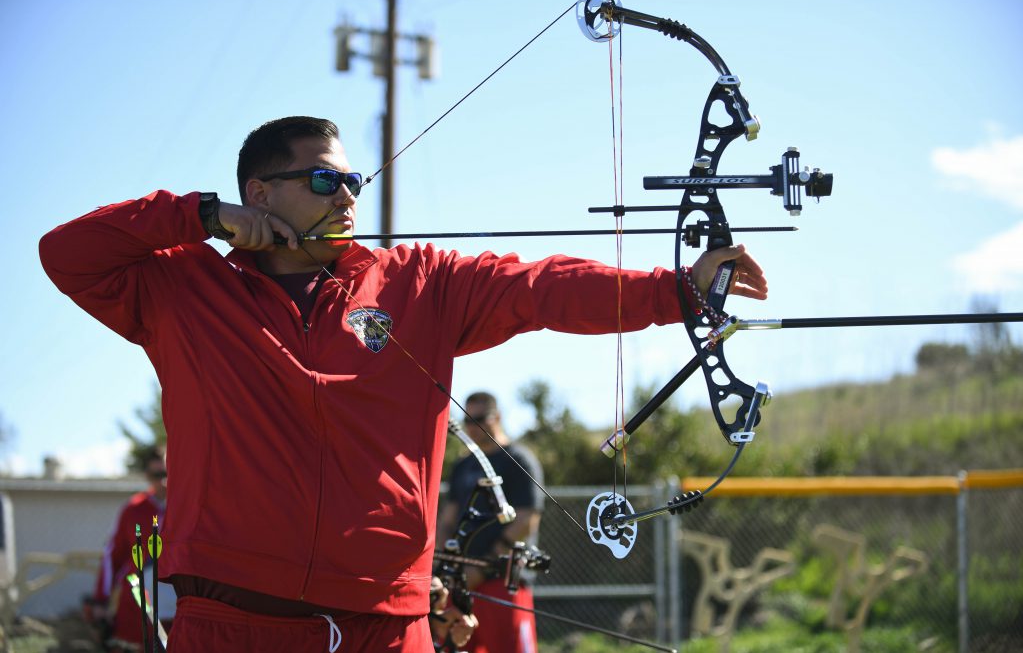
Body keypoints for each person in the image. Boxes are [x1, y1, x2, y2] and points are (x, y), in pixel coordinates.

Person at [39, 116, 767, 652]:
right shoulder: (181, 290)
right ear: (258, 193)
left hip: (386, 628)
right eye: (324, 179)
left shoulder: (420, 283)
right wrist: (198, 215)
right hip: (232, 624)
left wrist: (676, 290)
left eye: (352, 180)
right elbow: (66, 252)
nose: (347, 195)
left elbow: (538, 289)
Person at [438, 392, 544, 653]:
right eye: (467, 420)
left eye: (479, 419)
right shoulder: (463, 464)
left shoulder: (519, 460)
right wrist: (446, 565)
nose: (472, 427)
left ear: (497, 417)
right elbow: (447, 519)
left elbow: (527, 520)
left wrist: (482, 570)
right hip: (460, 583)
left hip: (501, 581)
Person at [89, 446, 168, 652]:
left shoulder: (189, 507)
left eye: (168, 473)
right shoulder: (133, 509)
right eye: (156, 474)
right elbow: (112, 557)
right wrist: (101, 600)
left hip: (179, 609)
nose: (163, 481)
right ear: (147, 476)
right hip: (136, 608)